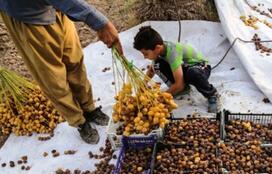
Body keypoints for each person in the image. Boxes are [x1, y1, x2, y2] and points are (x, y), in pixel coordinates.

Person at [0, 0, 123, 144]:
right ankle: (79, 121)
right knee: (53, 78)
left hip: (55, 7)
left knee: (74, 60)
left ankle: (89, 109)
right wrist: (100, 23)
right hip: (30, 17)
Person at [133, 26, 219, 113]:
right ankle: (182, 90)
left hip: (199, 67)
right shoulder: (159, 51)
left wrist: (161, 97)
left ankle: (212, 95)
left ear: (157, 48)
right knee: (157, 65)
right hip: (183, 67)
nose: (144, 57)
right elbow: (151, 70)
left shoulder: (172, 53)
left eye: (146, 54)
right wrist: (142, 85)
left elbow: (179, 84)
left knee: (192, 73)